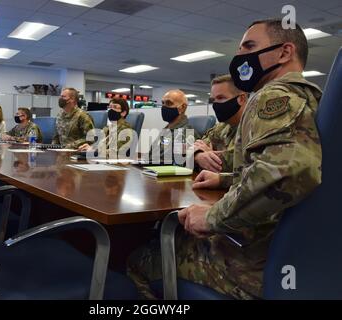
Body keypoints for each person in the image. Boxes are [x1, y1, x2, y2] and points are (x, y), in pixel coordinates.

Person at [127, 18, 322, 299]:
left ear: (284, 52)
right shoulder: (310, 99)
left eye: (250, 46)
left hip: (249, 266)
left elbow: (287, 172)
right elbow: (281, 165)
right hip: (292, 255)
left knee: (139, 259)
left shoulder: (274, 96)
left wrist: (212, 218)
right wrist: (224, 177)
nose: (241, 56)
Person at [194, 75, 247, 178]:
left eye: (221, 98)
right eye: (213, 99)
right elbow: (193, 147)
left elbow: (241, 164)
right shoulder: (222, 127)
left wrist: (210, 155)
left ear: (241, 98)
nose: (216, 104)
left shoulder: (253, 126)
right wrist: (198, 155)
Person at [149, 89, 199, 164]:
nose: (164, 107)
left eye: (169, 103)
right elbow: (152, 154)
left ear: (182, 107)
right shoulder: (167, 129)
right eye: (163, 103)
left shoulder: (186, 133)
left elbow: (175, 162)